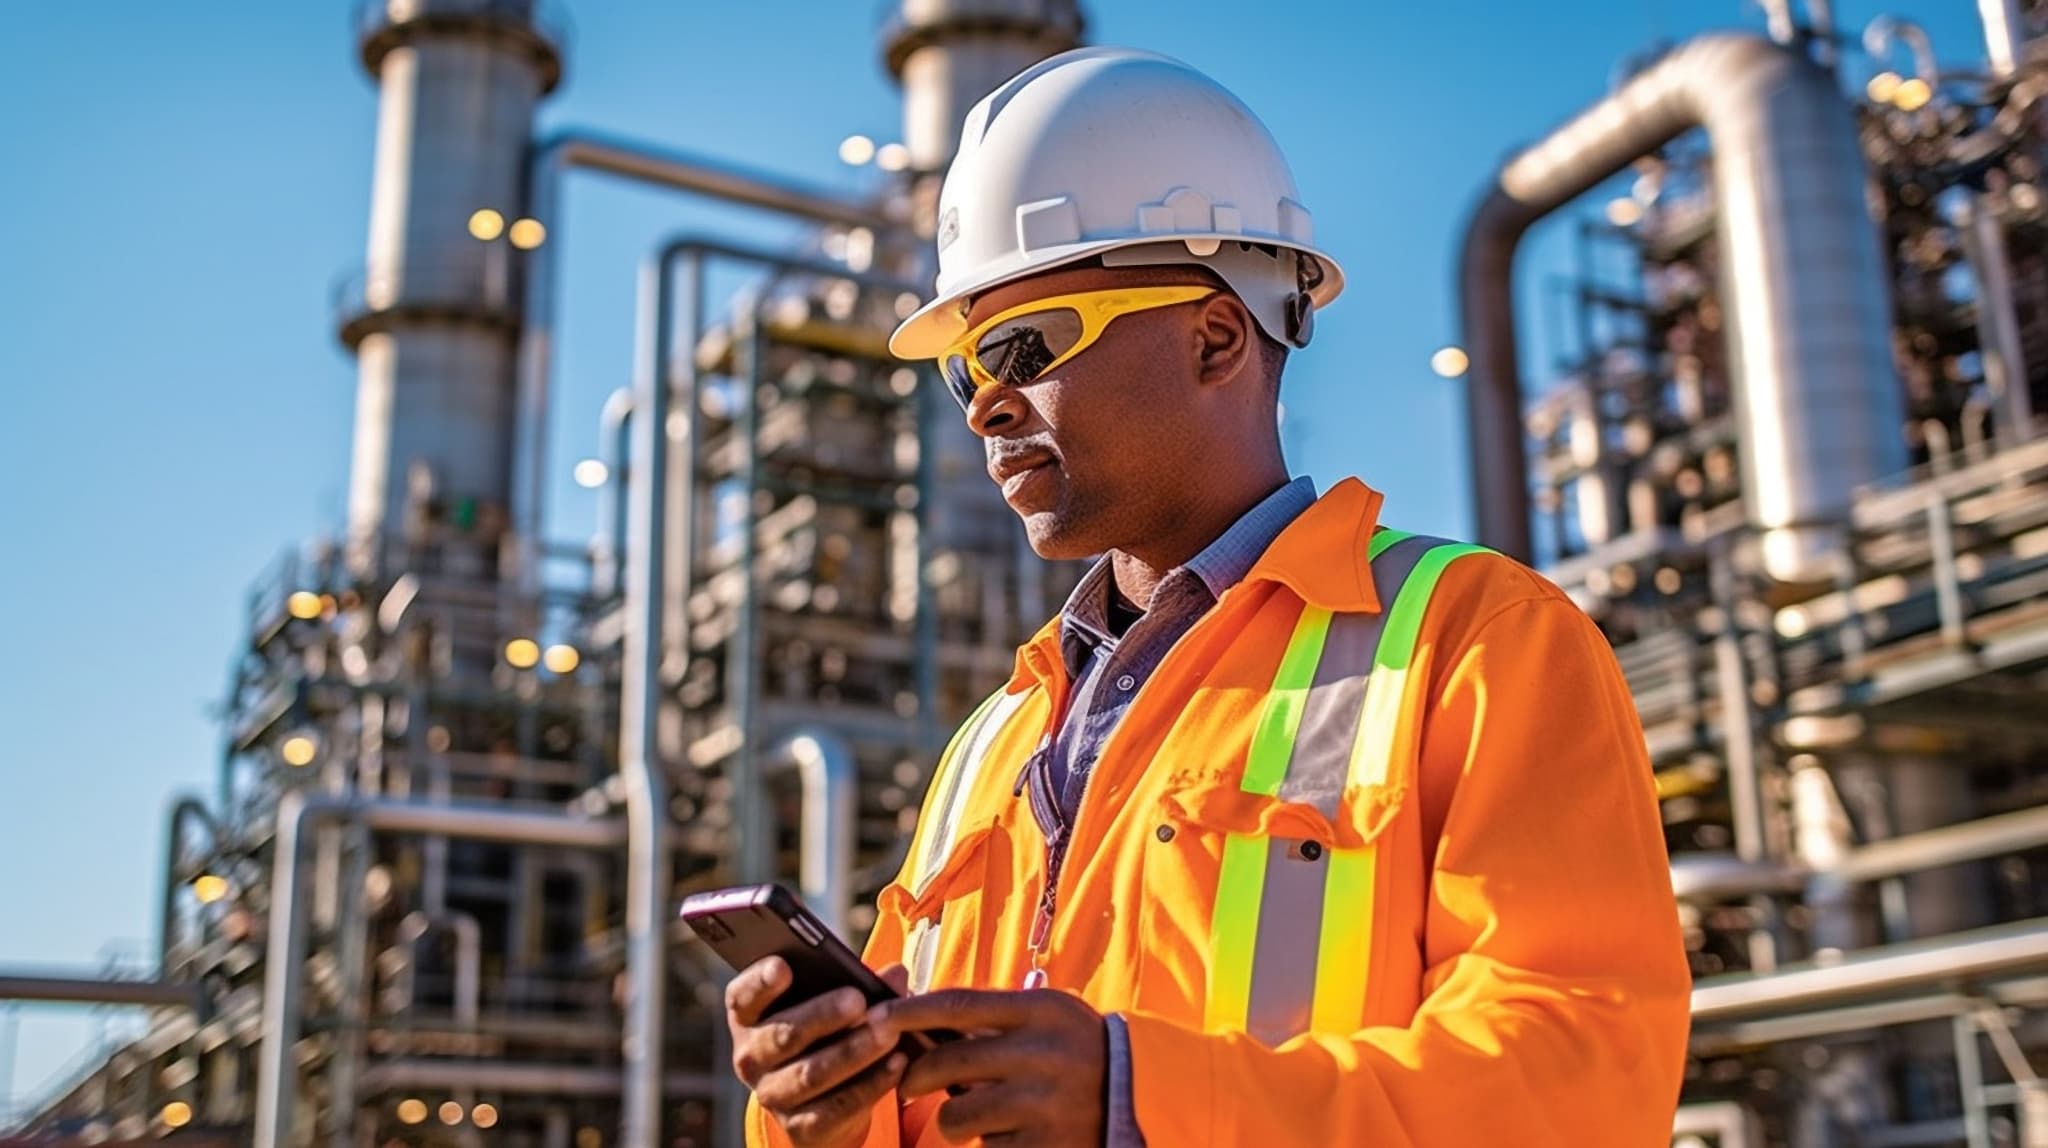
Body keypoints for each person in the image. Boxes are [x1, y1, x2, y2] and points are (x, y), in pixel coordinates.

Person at [726, 46, 1690, 1148]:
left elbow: (1579, 1080)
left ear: (1216, 335)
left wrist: (1145, 1098)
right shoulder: (995, 739)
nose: (984, 407)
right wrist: (823, 1109)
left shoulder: (1476, 643)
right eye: (963, 372)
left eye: (1021, 347)